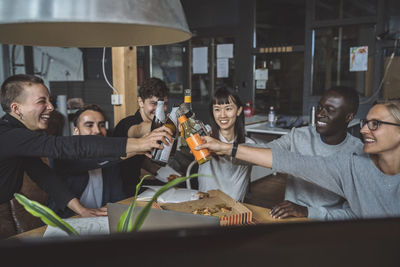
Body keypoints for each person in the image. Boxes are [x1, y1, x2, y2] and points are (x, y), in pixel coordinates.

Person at [0, 74, 171, 238]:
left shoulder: (20, 139)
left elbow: (44, 176)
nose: (51, 107)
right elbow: (71, 147)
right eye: (41, 101)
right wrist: (140, 144)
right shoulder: (9, 135)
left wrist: (81, 209)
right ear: (16, 108)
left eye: (49, 100)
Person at [197, 99, 400, 219]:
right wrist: (225, 147)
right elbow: (289, 161)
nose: (364, 129)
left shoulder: (355, 152)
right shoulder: (351, 165)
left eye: (375, 124)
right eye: (366, 122)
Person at [267, 86, 364, 220]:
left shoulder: (358, 153)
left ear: (349, 117)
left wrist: (307, 212)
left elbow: (353, 213)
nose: (319, 114)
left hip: (328, 228)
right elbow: (265, 151)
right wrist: (231, 146)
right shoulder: (299, 135)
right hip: (290, 220)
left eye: (329, 110)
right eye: (319, 108)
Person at [48, 104, 126, 217]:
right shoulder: (64, 156)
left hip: (101, 221)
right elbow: (92, 162)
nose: (97, 130)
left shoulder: (111, 162)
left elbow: (118, 198)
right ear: (76, 131)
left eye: (102, 125)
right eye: (89, 125)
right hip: (65, 223)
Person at [113, 77, 170, 196]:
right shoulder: (128, 124)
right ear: (140, 102)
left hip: (135, 185)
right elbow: (138, 129)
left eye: (164, 104)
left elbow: (141, 160)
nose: (160, 109)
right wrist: (164, 125)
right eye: (153, 104)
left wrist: (167, 175)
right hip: (119, 191)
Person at [197, 88, 255, 201]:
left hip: (235, 208)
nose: (222, 115)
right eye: (217, 109)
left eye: (228, 109)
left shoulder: (249, 145)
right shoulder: (205, 137)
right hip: (206, 204)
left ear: (238, 110)